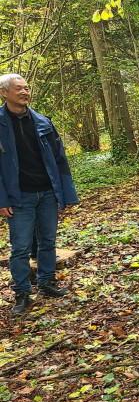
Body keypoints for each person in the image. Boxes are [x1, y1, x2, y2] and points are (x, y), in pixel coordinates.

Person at [0, 73, 78, 317]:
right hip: (18, 197)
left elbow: (59, 159)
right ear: (4, 92)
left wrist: (65, 193)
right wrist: (2, 200)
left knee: (47, 242)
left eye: (26, 88)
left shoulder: (43, 121)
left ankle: (46, 283)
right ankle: (22, 292)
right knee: (20, 248)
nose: (25, 92)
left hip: (46, 193)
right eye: (18, 88)